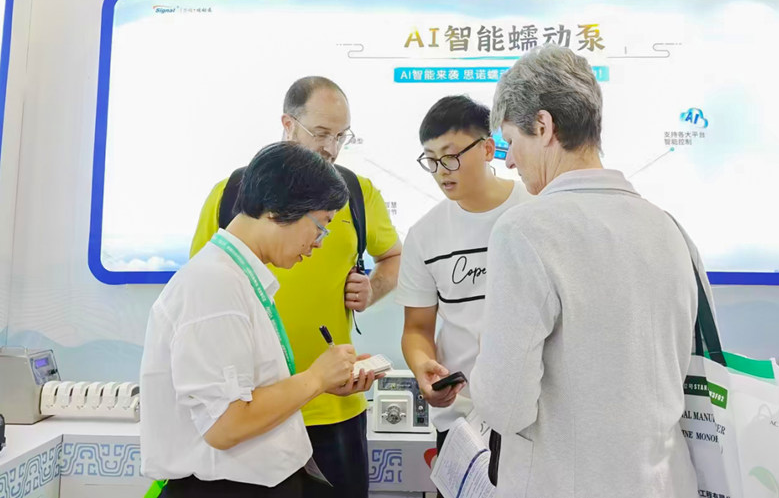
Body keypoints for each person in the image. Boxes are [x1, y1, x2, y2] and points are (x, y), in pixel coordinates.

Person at [471, 45, 706, 498]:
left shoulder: (525, 230)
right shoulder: (668, 227)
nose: (508, 161)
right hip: (666, 481)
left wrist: (486, 351)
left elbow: (505, 407)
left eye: (511, 141)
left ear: (544, 127)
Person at [190, 77, 402, 498]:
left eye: (341, 136)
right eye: (321, 133)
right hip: (253, 410)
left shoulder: (357, 192)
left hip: (334, 406)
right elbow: (201, 288)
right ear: (288, 124)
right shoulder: (231, 194)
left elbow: (394, 257)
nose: (331, 148)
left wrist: (372, 289)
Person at [141, 142, 381, 497]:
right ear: (277, 208)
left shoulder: (236, 277)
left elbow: (247, 393)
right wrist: (315, 378)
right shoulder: (215, 286)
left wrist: (325, 380)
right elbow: (226, 424)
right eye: (320, 225)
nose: (319, 242)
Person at [396, 95, 531, 493]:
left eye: (451, 156)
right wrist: (423, 366)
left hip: (531, 423)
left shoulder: (534, 211)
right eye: (431, 160)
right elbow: (417, 328)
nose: (441, 171)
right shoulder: (425, 235)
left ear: (488, 149)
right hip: (462, 424)